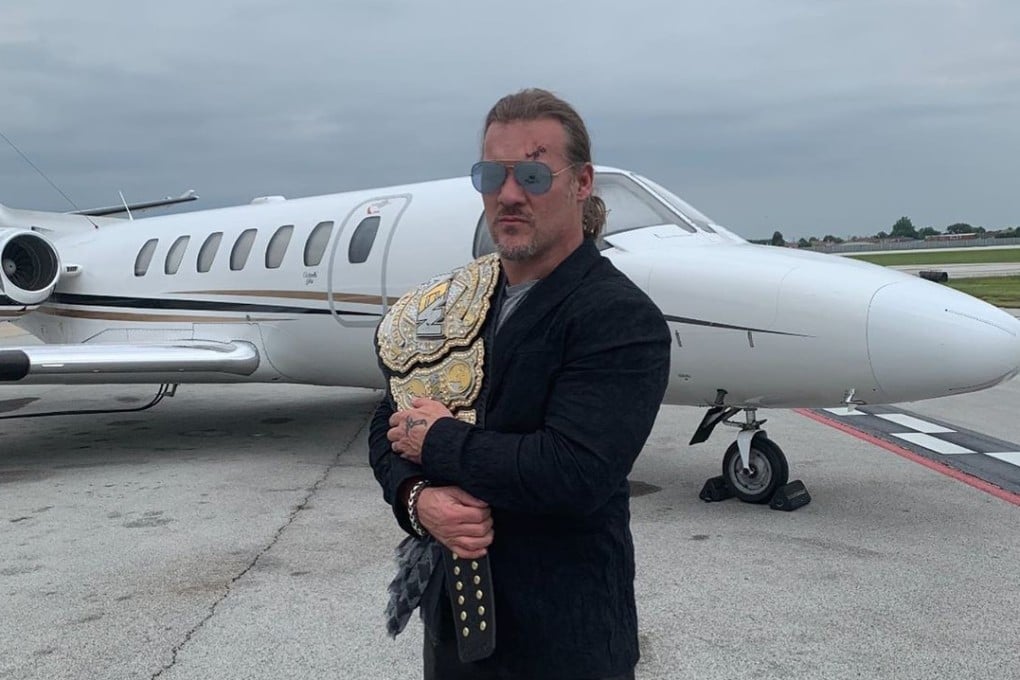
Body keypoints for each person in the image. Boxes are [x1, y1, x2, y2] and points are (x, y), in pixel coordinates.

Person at [369, 88, 671, 680]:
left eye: (533, 174)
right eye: (492, 175)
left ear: (581, 184)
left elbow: (572, 471)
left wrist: (438, 442)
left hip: (563, 642)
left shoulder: (617, 317)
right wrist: (417, 500)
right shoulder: (454, 304)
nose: (508, 195)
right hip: (455, 629)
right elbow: (388, 423)